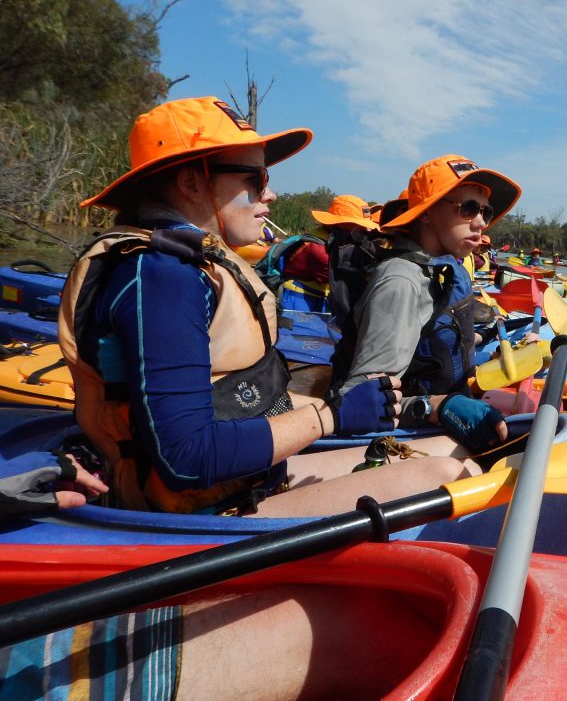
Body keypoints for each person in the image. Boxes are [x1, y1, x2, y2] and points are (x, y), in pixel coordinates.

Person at [57, 96, 472, 518]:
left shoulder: (190, 266)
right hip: (199, 512)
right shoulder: (161, 276)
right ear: (192, 183)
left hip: (249, 480)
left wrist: (427, 407)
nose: (270, 193)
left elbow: (246, 401)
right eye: (255, 178)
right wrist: (330, 416)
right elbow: (186, 458)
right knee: (450, 476)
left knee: (456, 450)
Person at [0, 452, 431, 699]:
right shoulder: (166, 291)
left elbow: (255, 391)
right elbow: (184, 455)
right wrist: (332, 416)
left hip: (233, 493)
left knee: (441, 476)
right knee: (372, 629)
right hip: (180, 499)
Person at [333, 154, 521, 460]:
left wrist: (483, 345)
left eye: (485, 211)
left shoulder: (439, 268)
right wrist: (434, 407)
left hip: (449, 404)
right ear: (426, 213)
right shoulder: (401, 281)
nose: (482, 222)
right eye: (469, 208)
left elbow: (432, 339)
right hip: (406, 432)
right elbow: (360, 400)